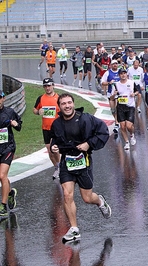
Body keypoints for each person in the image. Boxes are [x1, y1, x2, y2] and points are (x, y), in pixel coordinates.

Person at [49, 93, 111, 242]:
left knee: (87, 198)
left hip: (84, 161)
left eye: (69, 103)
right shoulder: (56, 124)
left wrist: (88, 144)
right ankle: (74, 229)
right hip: (67, 162)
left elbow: (103, 132)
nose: (67, 106)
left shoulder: (86, 119)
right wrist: (54, 148)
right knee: (67, 194)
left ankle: (100, 201)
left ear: (73, 103)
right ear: (60, 106)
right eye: (63, 104)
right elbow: (53, 142)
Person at [33, 78, 61, 179]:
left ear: (53, 85)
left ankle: (60, 166)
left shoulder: (58, 98)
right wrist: (38, 112)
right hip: (45, 128)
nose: (47, 88)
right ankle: (56, 167)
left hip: (56, 128)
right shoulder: (41, 98)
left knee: (55, 149)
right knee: (49, 150)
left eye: (49, 85)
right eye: (45, 86)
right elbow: (34, 109)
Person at [0, 91, 22, 217]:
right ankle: (10, 194)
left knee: (2, 175)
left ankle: (3, 206)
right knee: (1, 177)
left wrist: (15, 124)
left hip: (8, 148)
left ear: (3, 98)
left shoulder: (10, 112)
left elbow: (19, 126)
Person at [111, 68, 139, 150]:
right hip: (120, 107)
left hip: (130, 106)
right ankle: (127, 142)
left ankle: (132, 134)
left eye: (124, 73)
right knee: (122, 126)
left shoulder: (132, 82)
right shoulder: (116, 85)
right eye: (121, 74)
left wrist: (134, 94)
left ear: (127, 74)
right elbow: (112, 97)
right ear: (119, 75)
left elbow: (137, 91)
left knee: (129, 126)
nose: (123, 75)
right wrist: (114, 94)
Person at [101, 60, 120, 133]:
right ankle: (116, 120)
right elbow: (103, 82)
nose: (115, 65)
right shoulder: (108, 73)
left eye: (116, 64)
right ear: (111, 65)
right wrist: (109, 83)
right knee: (113, 110)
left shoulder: (121, 72)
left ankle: (117, 123)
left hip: (119, 94)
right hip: (111, 94)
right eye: (113, 64)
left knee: (117, 107)